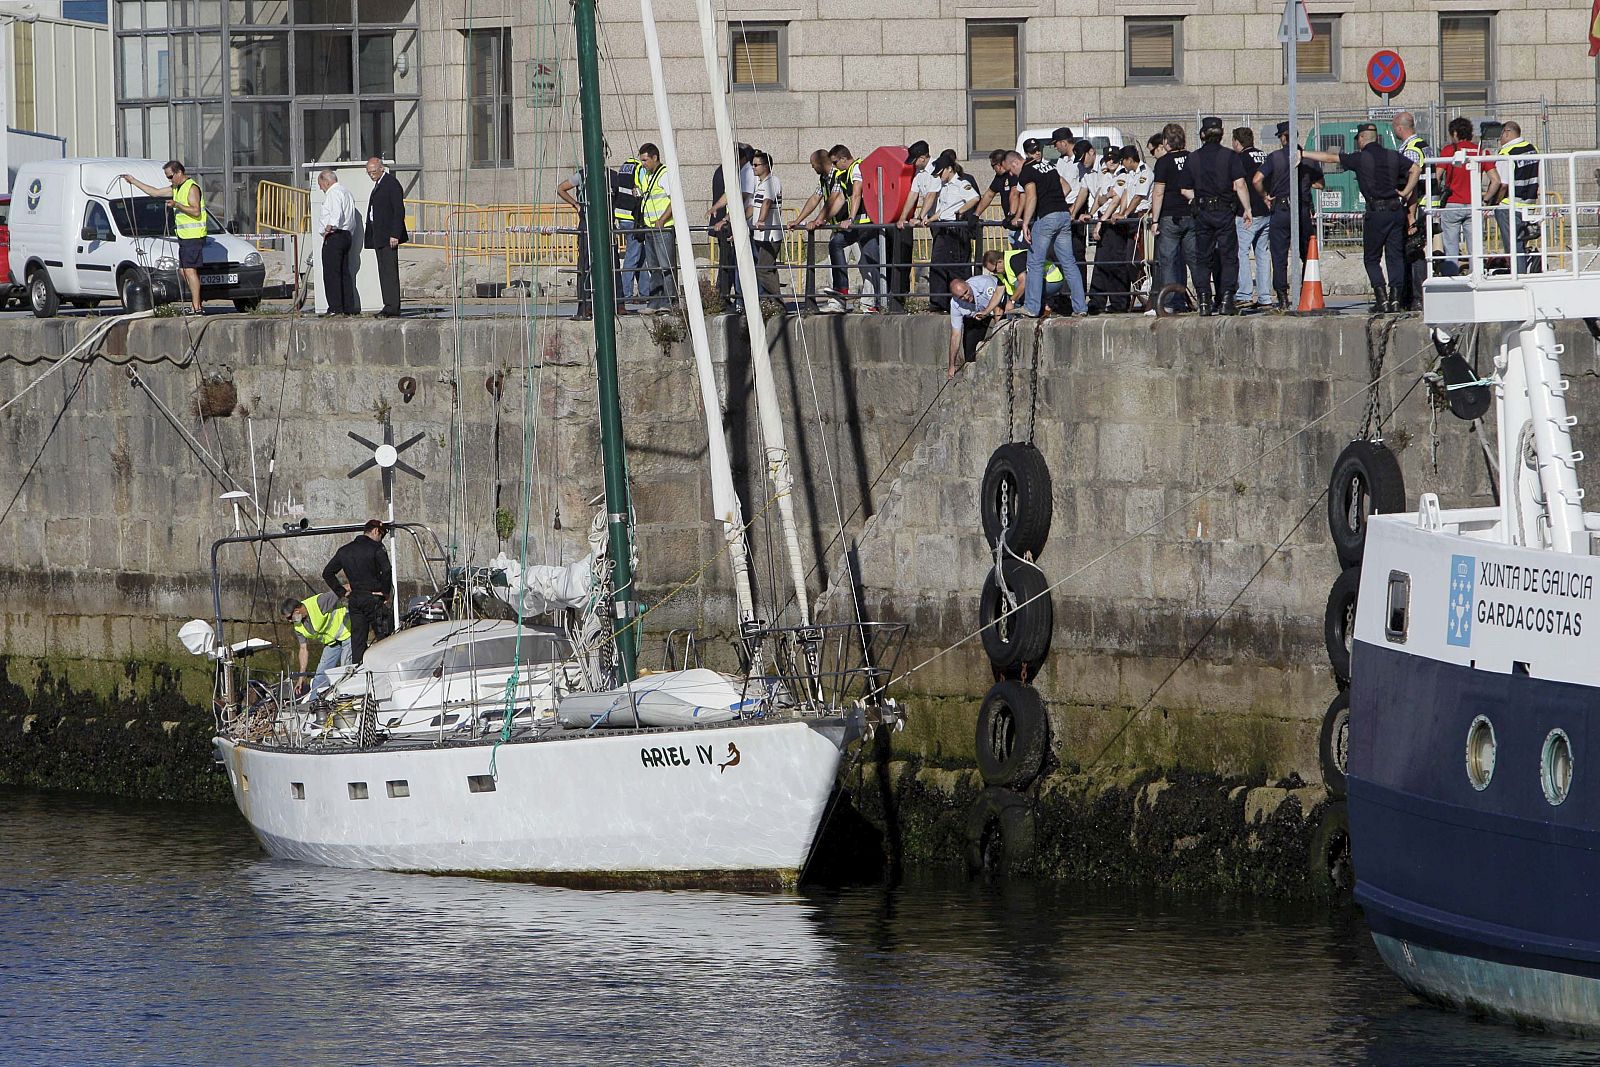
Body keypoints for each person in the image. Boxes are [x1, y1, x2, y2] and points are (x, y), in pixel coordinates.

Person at [1304, 123, 1417, 312]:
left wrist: (1304, 154)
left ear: (1362, 139)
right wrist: (1405, 191)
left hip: (1377, 213)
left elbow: (1330, 157)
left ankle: (1382, 300)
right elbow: (1415, 169)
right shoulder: (1393, 155)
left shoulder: (1360, 158)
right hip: (1396, 211)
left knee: (1371, 258)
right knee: (1395, 256)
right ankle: (1396, 300)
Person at [1017, 126, 1087, 318]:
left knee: (1035, 262)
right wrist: (1055, 200)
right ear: (1038, 151)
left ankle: (1031, 307)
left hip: (1046, 217)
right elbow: (1066, 188)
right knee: (1069, 263)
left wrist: (1026, 222)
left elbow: (1030, 198)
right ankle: (1080, 308)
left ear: (1025, 154)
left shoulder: (1027, 171)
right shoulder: (1051, 166)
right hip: (1063, 215)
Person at [119, 160, 206, 315]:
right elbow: (155, 193)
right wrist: (133, 181)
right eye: (168, 177)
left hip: (193, 236)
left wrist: (177, 205)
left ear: (179, 172)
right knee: (182, 271)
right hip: (184, 237)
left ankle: (196, 307)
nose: (169, 180)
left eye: (171, 176)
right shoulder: (177, 188)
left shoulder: (191, 188)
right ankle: (196, 301)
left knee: (189, 270)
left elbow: (196, 211)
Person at [1255, 121, 1324, 310]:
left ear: (1283, 138)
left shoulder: (1275, 157)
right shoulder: (1308, 158)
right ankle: (1305, 292)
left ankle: (1283, 297)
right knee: (1306, 254)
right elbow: (1320, 184)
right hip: (1301, 208)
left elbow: (1257, 179)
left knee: (1279, 255)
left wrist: (1265, 196)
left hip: (1282, 209)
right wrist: (1305, 182)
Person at [1186, 116, 1253, 316]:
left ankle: (1204, 301)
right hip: (1224, 211)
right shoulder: (1230, 156)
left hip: (1203, 211)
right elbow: (1240, 184)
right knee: (1229, 257)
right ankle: (1226, 300)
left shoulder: (1193, 157)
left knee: (1202, 257)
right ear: (1222, 133)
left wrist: (1198, 198)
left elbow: (1184, 188)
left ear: (1202, 134)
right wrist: (1247, 209)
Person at [322, 519, 393, 665]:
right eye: (382, 534)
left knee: (358, 642)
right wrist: (386, 592)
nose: (381, 538)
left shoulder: (345, 550)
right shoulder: (377, 548)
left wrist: (341, 592)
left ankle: (358, 672)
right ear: (375, 531)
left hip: (355, 601)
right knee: (386, 637)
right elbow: (386, 570)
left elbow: (327, 573)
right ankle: (386, 668)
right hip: (374, 598)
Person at [1091, 145, 1149, 314]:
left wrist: (1102, 220)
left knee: (1117, 263)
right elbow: (1099, 198)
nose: (1111, 162)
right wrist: (1092, 213)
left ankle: (1119, 301)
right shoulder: (1104, 175)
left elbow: (1116, 199)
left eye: (1115, 159)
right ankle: (1097, 300)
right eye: (1108, 159)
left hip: (1114, 221)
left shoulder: (1123, 176)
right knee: (1101, 262)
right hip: (1104, 218)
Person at [826, 145, 884, 313]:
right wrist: (822, 219)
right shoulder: (844, 174)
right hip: (859, 223)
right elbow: (841, 199)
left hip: (865, 222)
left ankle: (878, 301)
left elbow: (857, 193)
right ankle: (843, 288)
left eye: (836, 162)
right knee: (866, 258)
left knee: (871, 260)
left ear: (844, 158)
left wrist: (850, 218)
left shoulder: (857, 167)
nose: (835, 166)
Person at [923, 149, 979, 313]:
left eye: (940, 173)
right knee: (938, 265)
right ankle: (938, 302)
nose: (939, 177)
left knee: (955, 267)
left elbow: (974, 198)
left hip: (955, 229)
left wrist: (960, 211)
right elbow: (943, 209)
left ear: (949, 169)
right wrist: (929, 219)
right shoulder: (945, 186)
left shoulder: (961, 183)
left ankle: (959, 301)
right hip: (943, 227)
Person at [1148, 123, 1194, 314]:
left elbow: (1158, 192)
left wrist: (1155, 220)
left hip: (1169, 216)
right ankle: (1203, 298)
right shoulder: (1192, 158)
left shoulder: (1164, 162)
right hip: (1191, 214)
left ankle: (1169, 303)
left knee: (1168, 261)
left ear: (1166, 142)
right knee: (1194, 259)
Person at [1484, 121, 1540, 275]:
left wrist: (1493, 203)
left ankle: (1518, 277)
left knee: (1513, 247)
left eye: (1500, 135)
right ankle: (1523, 273)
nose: (1499, 139)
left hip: (1509, 205)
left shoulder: (1507, 153)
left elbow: (1502, 184)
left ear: (1507, 132)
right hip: (1528, 204)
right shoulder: (1532, 149)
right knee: (1521, 243)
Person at [892, 141, 940, 313]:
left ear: (923, 157)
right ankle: (937, 301)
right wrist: (903, 218)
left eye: (915, 160)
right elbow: (913, 194)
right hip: (931, 221)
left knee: (942, 261)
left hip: (942, 219)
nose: (912, 163)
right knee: (937, 259)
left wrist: (919, 217)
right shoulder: (919, 173)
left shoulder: (936, 168)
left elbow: (931, 195)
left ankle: (941, 302)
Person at [707, 143, 755, 309]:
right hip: (731, 224)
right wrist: (718, 210)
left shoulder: (746, 172)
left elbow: (741, 199)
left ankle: (735, 299)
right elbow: (732, 195)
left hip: (737, 224)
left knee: (736, 264)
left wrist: (725, 218)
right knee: (730, 262)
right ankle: (727, 296)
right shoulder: (739, 172)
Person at [794, 149, 843, 312]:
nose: (812, 168)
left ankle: (874, 301)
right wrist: (798, 220)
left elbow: (833, 199)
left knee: (864, 262)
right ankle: (837, 301)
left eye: (813, 165)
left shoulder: (838, 174)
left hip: (849, 224)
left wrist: (818, 220)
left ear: (822, 163)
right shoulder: (824, 178)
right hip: (837, 226)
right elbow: (815, 198)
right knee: (834, 263)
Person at [1433, 117, 1486, 265]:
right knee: (1475, 250)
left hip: (1452, 203)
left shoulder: (1449, 150)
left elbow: (1437, 176)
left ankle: (1453, 279)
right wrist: (1487, 200)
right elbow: (1495, 180)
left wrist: (1438, 197)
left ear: (1455, 133)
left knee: (1451, 249)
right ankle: (1476, 278)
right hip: (1474, 204)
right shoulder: (1479, 151)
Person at [280, 592, 350, 697]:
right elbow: (303, 649)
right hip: (332, 643)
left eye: (290, 618)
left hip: (348, 634)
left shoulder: (319, 603)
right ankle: (315, 704)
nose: (290, 621)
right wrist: (301, 677)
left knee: (346, 671)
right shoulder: (298, 626)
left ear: (296, 611)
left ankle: (347, 700)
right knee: (320, 676)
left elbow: (343, 589)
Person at [634, 143, 677, 309]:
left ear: (654, 158)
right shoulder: (646, 175)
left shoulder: (664, 174)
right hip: (649, 227)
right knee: (653, 267)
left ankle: (668, 301)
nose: (643, 164)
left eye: (645, 160)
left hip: (663, 227)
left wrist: (662, 219)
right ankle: (655, 301)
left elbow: (674, 200)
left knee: (666, 266)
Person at [364, 157, 407, 318]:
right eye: (369, 173)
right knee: (383, 271)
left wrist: (395, 234)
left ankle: (393, 306)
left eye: (374, 172)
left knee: (389, 271)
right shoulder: (379, 185)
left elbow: (398, 210)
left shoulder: (391, 184)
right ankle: (387, 304)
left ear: (381, 168)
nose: (371, 175)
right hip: (379, 235)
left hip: (388, 236)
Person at [1233, 128, 1271, 310]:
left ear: (1237, 142)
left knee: (1241, 251)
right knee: (1262, 254)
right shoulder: (1263, 155)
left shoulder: (1240, 159)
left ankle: (1244, 294)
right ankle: (1265, 296)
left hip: (1248, 213)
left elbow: (1238, 185)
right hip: (1266, 210)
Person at [316, 169, 358, 316]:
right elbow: (350, 217)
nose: (321, 188)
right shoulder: (347, 192)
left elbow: (336, 213)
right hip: (346, 235)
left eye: (320, 184)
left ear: (326, 181)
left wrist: (329, 228)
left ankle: (335, 307)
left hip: (335, 235)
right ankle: (348, 307)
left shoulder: (333, 193)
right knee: (344, 272)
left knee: (331, 273)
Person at [947, 270, 1002, 378]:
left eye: (966, 292)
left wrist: (998, 335)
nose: (966, 297)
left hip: (999, 307)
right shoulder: (955, 304)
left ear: (968, 284)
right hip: (977, 316)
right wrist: (951, 365)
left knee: (999, 347)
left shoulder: (984, 284)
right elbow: (955, 335)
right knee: (970, 353)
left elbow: (998, 310)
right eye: (961, 297)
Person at [555, 168, 592, 320]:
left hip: (603, 223)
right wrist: (576, 204)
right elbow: (561, 188)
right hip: (585, 224)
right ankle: (584, 307)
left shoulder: (609, 175)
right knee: (584, 266)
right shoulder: (582, 175)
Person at [611, 150, 645, 308]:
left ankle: (645, 292)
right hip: (633, 219)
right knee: (632, 256)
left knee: (641, 255)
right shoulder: (639, 168)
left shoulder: (623, 167)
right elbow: (641, 192)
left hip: (621, 216)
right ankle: (626, 294)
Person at [747, 151, 783, 299]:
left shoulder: (772, 181)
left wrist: (761, 220)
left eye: (756, 165)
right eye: (752, 165)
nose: (753, 167)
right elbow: (753, 207)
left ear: (766, 166)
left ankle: (777, 300)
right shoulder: (760, 184)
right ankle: (772, 302)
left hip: (771, 235)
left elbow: (767, 202)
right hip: (760, 235)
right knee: (769, 268)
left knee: (763, 269)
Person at [974, 148, 1024, 248]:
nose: (993, 169)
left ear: (999, 165)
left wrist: (1011, 214)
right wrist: (976, 214)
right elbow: (989, 194)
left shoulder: (1013, 173)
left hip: (1022, 222)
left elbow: (1015, 193)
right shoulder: (999, 177)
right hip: (1012, 224)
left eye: (993, 166)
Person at [996, 245, 1063, 314]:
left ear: (1000, 261)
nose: (995, 272)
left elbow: (1023, 283)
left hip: (1052, 280)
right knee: (1017, 294)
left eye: (995, 270)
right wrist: (985, 312)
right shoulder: (1003, 269)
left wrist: (1012, 301)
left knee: (1019, 288)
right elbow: (997, 294)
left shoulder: (1015, 259)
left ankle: (1041, 306)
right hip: (1045, 281)